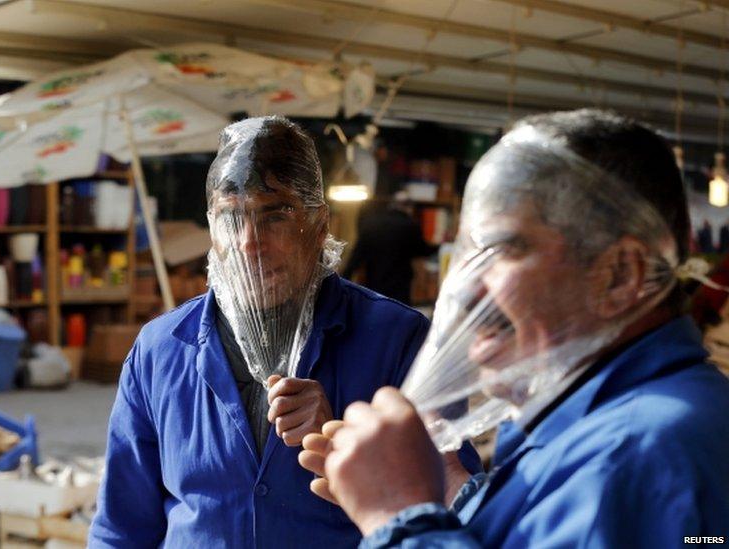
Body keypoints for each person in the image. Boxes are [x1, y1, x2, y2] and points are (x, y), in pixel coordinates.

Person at [299, 109, 729, 547]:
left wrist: (399, 518)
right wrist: (446, 491)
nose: (461, 291)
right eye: (468, 255)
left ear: (619, 275)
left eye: (499, 250)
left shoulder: (645, 454)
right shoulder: (596, 428)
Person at [88, 116, 452, 548]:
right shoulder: (160, 351)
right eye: (230, 218)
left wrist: (340, 439)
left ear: (319, 226)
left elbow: (453, 506)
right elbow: (120, 530)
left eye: (274, 215)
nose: (248, 242)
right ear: (211, 229)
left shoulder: (399, 341)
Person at [342, 191, 437, 304]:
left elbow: (355, 258)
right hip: (399, 288)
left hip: (374, 285)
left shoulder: (372, 224)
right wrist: (440, 247)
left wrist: (344, 280)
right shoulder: (411, 226)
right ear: (409, 208)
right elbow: (422, 251)